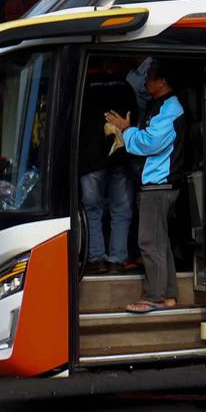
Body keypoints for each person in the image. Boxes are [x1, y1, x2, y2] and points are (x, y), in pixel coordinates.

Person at [105, 60, 185, 313]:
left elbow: (151, 142)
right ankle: (169, 295)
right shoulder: (161, 105)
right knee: (161, 243)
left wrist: (126, 131)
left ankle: (155, 296)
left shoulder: (170, 108)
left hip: (158, 185)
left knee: (149, 243)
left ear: (162, 81)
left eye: (150, 76)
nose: (145, 80)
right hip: (159, 185)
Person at [80, 61, 137, 275]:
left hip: (90, 160)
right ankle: (117, 260)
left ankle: (97, 259)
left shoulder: (82, 86)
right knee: (121, 209)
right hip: (120, 156)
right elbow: (134, 119)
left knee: (92, 209)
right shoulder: (124, 86)